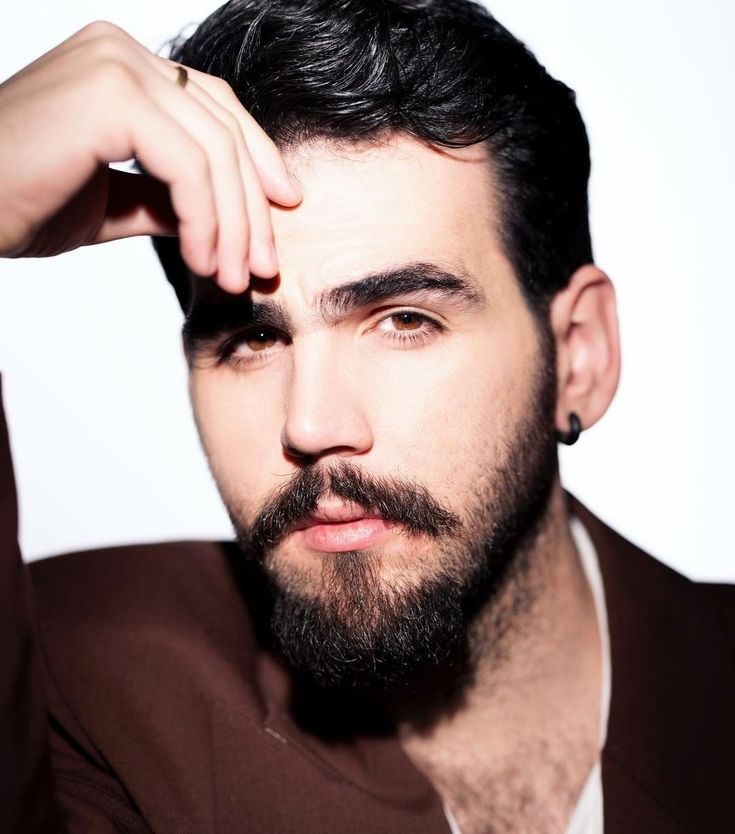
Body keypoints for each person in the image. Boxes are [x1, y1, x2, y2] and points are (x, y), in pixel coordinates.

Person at [0, 1, 733, 832]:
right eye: (251, 337)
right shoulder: (78, 670)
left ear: (579, 354)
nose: (311, 425)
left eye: (404, 320)